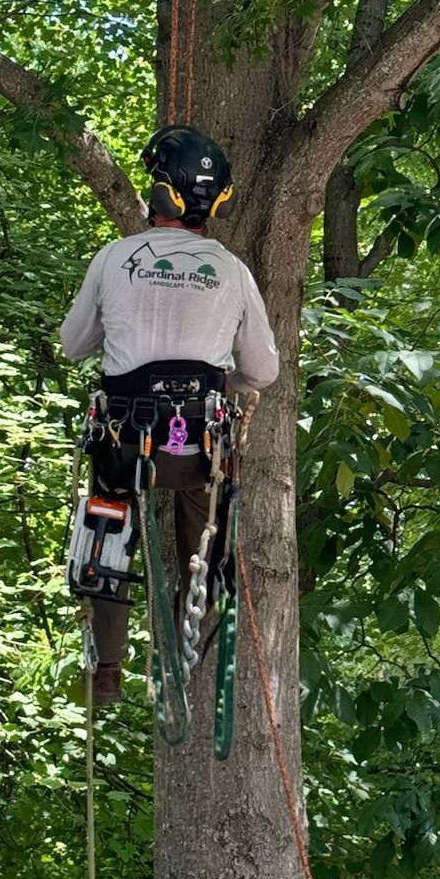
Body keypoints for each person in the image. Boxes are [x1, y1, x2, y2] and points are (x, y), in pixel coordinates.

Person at [61, 126, 280, 701]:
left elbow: (74, 344)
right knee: (204, 521)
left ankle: (107, 667)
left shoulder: (115, 259)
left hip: (124, 446)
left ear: (159, 192)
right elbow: (263, 372)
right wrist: (218, 373)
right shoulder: (232, 272)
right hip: (195, 450)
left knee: (109, 521)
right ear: (218, 201)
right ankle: (188, 630)